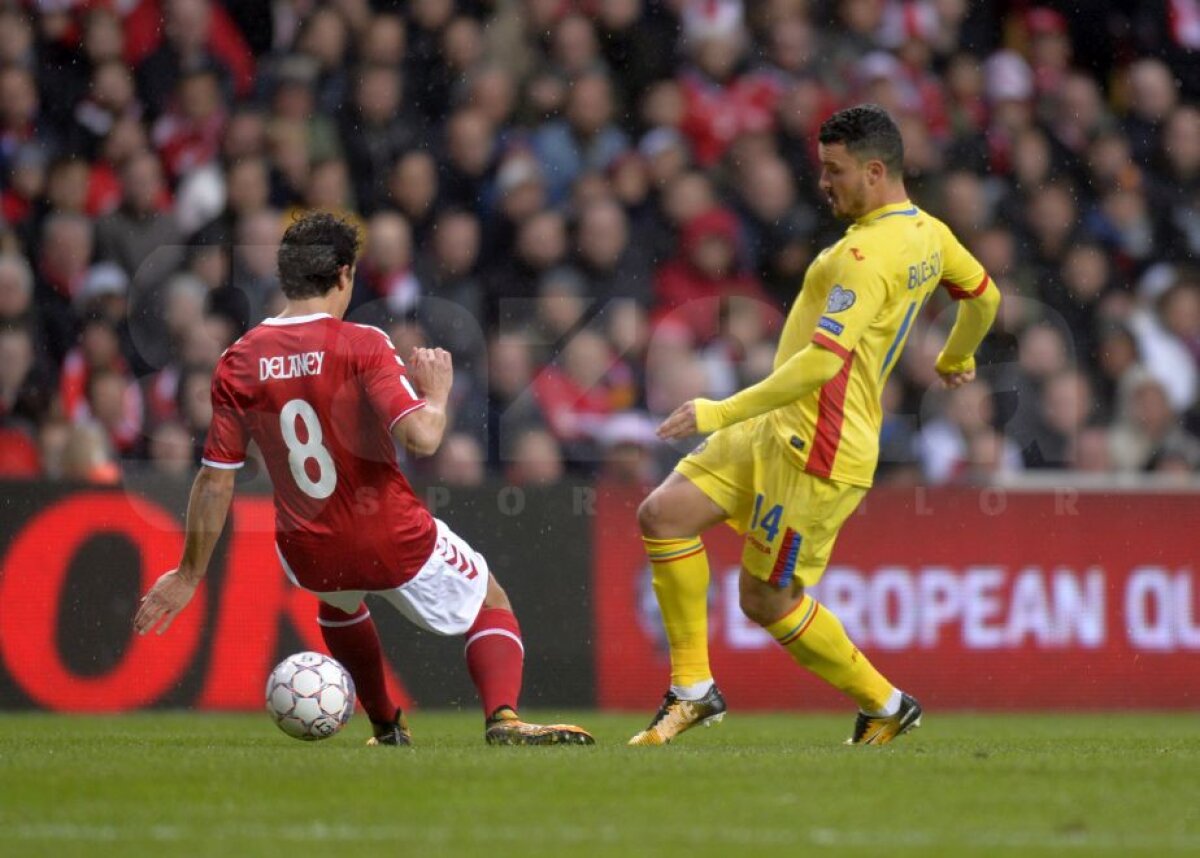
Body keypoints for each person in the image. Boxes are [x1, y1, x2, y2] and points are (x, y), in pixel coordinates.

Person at [134, 213, 593, 748]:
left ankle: (386, 725)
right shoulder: (362, 343)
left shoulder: (239, 360)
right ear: (344, 275)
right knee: (491, 600)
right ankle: (503, 718)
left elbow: (216, 482)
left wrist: (189, 574)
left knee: (338, 602)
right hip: (387, 533)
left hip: (308, 548)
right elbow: (423, 438)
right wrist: (437, 394)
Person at [631, 104, 1001, 747]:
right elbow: (984, 296)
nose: (824, 183)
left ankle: (886, 704)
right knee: (662, 516)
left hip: (819, 450)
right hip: (777, 425)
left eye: (835, 170)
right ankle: (692, 691)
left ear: (876, 171)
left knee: (765, 601)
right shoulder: (929, 234)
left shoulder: (865, 255)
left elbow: (823, 364)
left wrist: (718, 410)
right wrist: (955, 356)